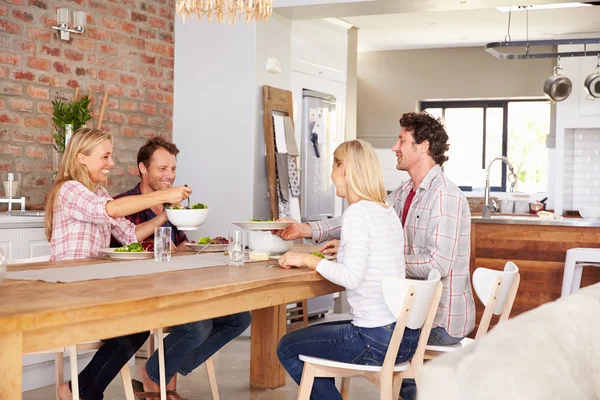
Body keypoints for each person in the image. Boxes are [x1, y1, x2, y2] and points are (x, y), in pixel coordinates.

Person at [277, 112, 475, 399]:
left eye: (402, 140)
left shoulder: (445, 196)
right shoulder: (400, 195)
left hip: (438, 320)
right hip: (402, 317)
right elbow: (360, 221)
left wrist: (378, 258)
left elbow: (438, 264)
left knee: (292, 345)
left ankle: (408, 389)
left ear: (423, 146)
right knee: (385, 347)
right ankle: (404, 385)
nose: (394, 147)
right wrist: (307, 229)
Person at [46, 128, 192, 400]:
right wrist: (163, 196)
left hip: (93, 288)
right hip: (68, 290)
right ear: (81, 158)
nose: (111, 163)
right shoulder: (69, 189)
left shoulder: (98, 191)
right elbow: (110, 210)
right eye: (106, 156)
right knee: (131, 329)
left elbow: (129, 235)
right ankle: (80, 390)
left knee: (136, 327)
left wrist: (165, 216)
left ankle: (77, 390)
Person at [276, 139, 421, 400]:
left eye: (333, 166)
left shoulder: (357, 213)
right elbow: (376, 256)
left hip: (374, 339)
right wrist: (344, 248)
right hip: (402, 336)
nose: (331, 174)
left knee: (288, 346)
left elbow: (351, 278)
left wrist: (309, 260)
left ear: (345, 169)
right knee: (315, 340)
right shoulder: (386, 210)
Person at [115, 137, 252, 400]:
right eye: (162, 169)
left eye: (173, 169)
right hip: (140, 291)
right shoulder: (124, 204)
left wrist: (202, 247)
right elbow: (125, 250)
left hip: (177, 288)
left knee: (240, 318)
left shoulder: (175, 206)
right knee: (197, 326)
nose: (170, 176)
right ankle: (158, 380)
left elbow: (178, 247)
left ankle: (159, 372)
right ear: (143, 168)